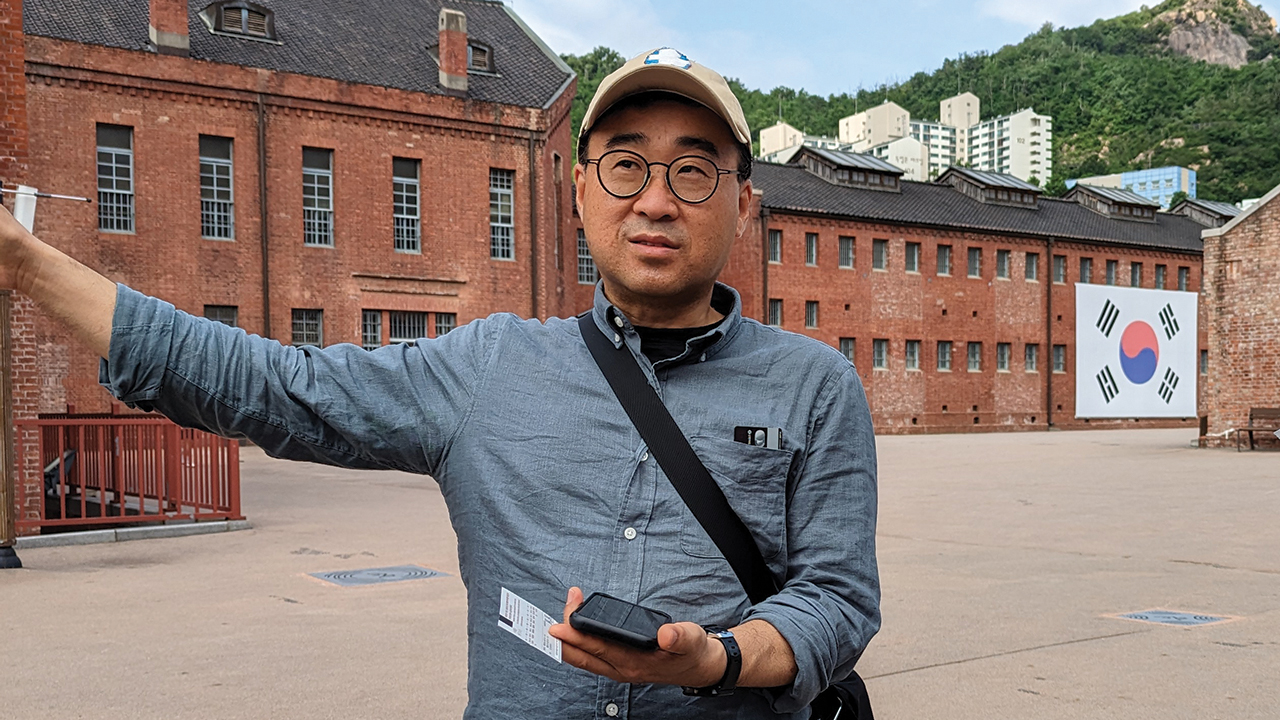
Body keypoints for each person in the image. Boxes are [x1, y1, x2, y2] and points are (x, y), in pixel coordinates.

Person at [0, 47, 878, 718]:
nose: (655, 200)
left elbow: (836, 599)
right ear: (579, 190)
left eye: (693, 169)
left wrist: (717, 659)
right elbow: (275, 385)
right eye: (624, 163)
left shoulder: (814, 385)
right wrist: (26, 266)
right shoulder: (491, 365)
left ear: (743, 201)